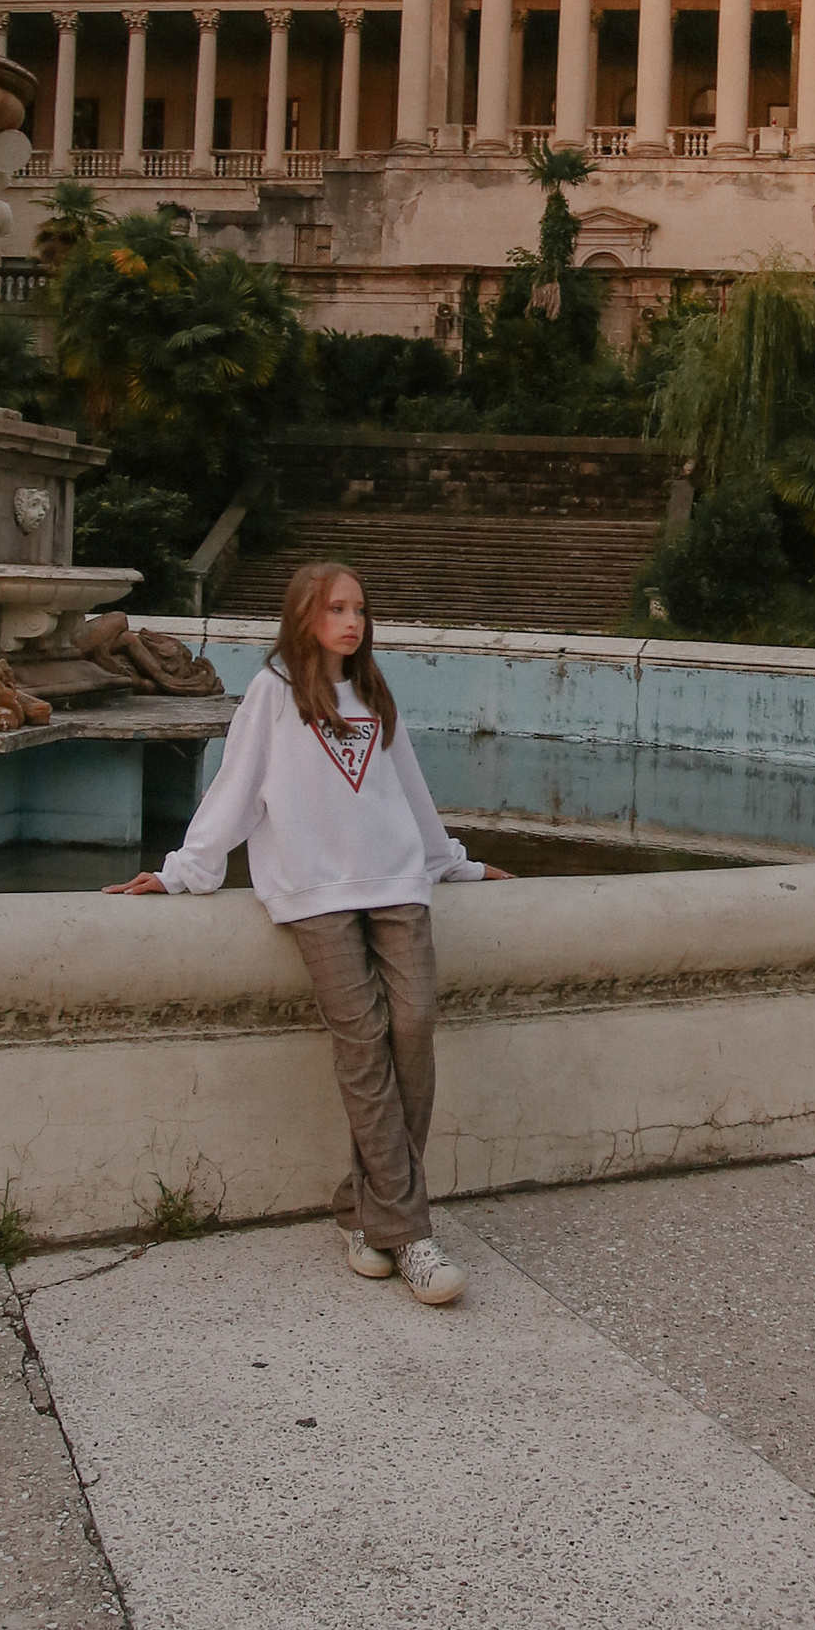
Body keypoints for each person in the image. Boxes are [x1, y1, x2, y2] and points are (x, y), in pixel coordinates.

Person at [105, 560, 507, 1306]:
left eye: (359, 608)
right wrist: (183, 870)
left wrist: (457, 864)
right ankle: (412, 1236)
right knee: (362, 1043)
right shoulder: (273, 694)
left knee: (413, 1028)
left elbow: (409, 794)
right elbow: (233, 791)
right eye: (335, 610)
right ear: (305, 619)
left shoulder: (376, 694)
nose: (351, 622)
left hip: (396, 883)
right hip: (313, 890)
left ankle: (364, 1212)